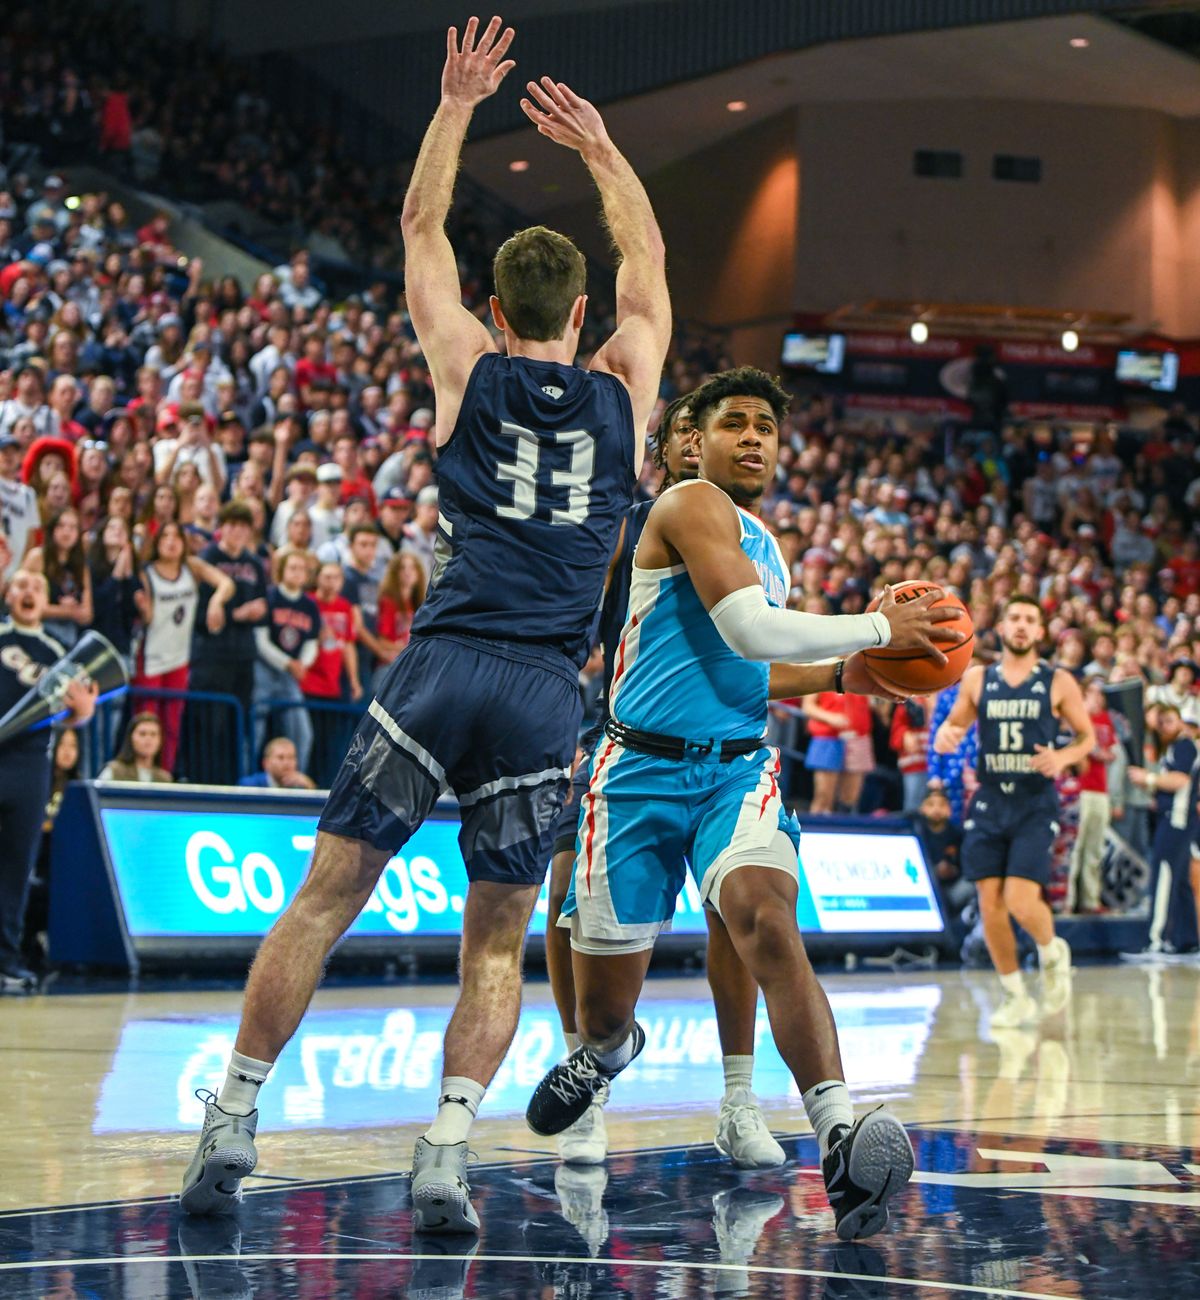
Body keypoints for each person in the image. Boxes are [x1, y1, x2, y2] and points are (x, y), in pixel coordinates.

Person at [181, 19, 672, 1236]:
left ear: (497, 305)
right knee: (497, 939)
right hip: (548, 689)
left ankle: (232, 1123)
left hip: (446, 661)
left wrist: (457, 106)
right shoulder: (624, 390)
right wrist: (606, 153)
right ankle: (447, 1149)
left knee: (320, 901)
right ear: (580, 318)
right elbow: (652, 273)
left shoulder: (466, 363)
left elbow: (415, 233)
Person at [525, 367, 962, 1241]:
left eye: (768, 425)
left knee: (767, 914)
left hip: (735, 771)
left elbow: (754, 667)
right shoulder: (688, 505)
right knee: (607, 1010)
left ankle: (838, 1131)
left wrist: (847, 674)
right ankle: (606, 1054)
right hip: (638, 770)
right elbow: (748, 630)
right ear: (694, 439)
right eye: (738, 423)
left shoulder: (766, 541)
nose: (756, 437)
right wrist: (877, 633)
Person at [544, 397, 783, 1170]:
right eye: (681, 429)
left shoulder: (744, 534)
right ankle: (590, 1069)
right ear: (669, 447)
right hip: (614, 721)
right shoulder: (635, 519)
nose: (691, 440)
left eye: (696, 427)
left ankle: (739, 1099)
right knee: (564, 895)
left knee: (735, 910)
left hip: (717, 736)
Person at [934, 595, 1095, 1027]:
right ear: (1001, 628)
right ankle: (1014, 994)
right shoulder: (978, 678)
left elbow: (1087, 738)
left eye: (1030, 620)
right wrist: (946, 736)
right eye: (1015, 619)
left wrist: (1062, 758)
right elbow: (956, 723)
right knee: (990, 902)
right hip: (989, 798)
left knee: (1020, 898)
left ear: (1041, 632)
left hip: (1034, 800)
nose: (1022, 626)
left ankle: (1051, 949)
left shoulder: (1058, 681)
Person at [0, 570, 96, 990]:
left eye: (37, 587)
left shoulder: (59, 652)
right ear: (8, 593)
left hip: (30, 766)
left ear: (45, 600)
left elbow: (81, 711)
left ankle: (6, 960)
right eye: (21, 586)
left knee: (17, 867)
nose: (28, 593)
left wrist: (83, 711)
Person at [133, 521, 235, 774]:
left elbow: (227, 584)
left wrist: (216, 602)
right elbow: (147, 619)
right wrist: (143, 609)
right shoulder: (147, 573)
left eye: (176, 536)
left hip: (180, 657)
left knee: (172, 726)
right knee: (147, 721)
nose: (171, 541)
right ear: (157, 543)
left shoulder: (192, 566)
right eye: (165, 536)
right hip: (150, 656)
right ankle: (141, 773)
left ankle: (164, 774)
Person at [187, 502, 269, 782]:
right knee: (211, 724)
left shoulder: (255, 564)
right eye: (231, 525)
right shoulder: (207, 559)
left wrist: (257, 613)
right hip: (211, 654)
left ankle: (232, 782)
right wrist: (237, 614)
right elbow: (199, 615)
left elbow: (261, 606)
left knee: (238, 724)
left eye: (242, 526)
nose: (236, 532)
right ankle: (207, 781)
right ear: (222, 528)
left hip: (243, 655)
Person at [1126, 704, 1200, 958]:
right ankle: (1188, 940)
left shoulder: (1184, 746)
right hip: (1175, 818)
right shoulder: (1171, 748)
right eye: (1161, 723)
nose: (1164, 727)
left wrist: (1148, 778)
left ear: (1180, 721)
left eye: (1169, 721)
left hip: (1177, 820)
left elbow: (1181, 780)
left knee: (1164, 876)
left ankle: (1155, 940)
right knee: (1180, 883)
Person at [253, 548, 320, 776]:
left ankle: (295, 779)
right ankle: (248, 779)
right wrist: (287, 663)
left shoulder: (310, 606)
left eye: (302, 569)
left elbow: (312, 642)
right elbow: (260, 641)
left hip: (291, 675)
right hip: (264, 671)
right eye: (292, 567)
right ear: (281, 570)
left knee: (302, 732)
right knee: (255, 728)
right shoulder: (270, 597)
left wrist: (302, 663)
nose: (297, 573)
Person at [1066, 677, 1117, 914]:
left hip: (1101, 789)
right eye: (1093, 693)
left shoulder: (1108, 720)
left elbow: (1112, 752)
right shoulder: (1075, 717)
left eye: (1101, 694)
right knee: (1074, 848)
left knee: (1094, 849)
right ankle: (1067, 900)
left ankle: (1090, 900)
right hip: (1079, 788)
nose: (1098, 698)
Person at [98, 712, 173, 783]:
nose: (148, 739)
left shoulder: (164, 778)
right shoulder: (114, 771)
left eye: (153, 734)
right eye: (142, 734)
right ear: (130, 738)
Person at [237, 736, 317, 790]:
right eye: (280, 758)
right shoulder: (250, 786)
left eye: (291, 757)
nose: (286, 763)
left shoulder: (302, 786)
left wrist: (309, 786)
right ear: (266, 763)